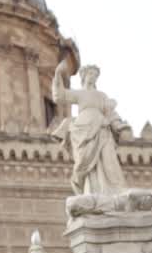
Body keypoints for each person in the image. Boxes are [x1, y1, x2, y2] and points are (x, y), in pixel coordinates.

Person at [51, 60, 130, 195]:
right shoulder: (80, 94)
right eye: (90, 74)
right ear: (84, 76)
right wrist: (58, 73)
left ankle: (113, 190)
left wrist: (120, 126)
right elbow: (60, 96)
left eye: (95, 75)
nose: (93, 77)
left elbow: (110, 112)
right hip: (83, 130)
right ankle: (91, 191)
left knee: (108, 159)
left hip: (101, 128)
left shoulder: (102, 95)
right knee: (85, 163)